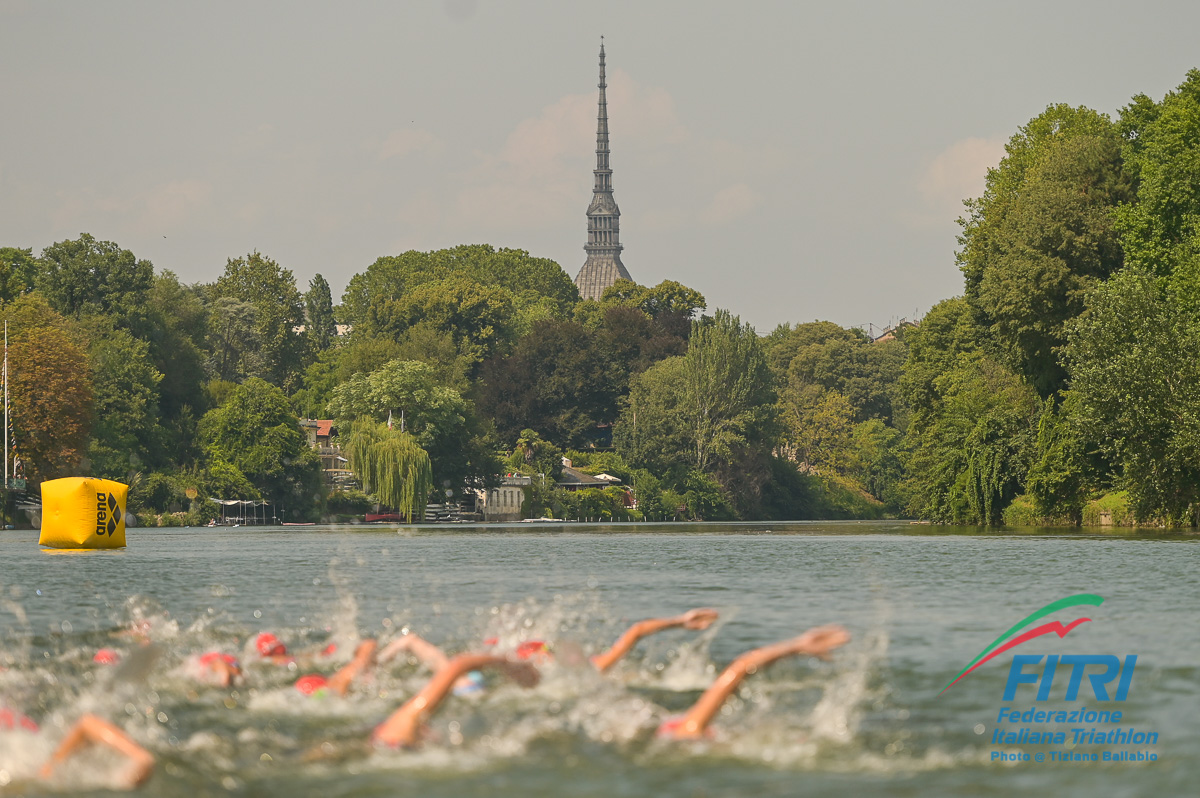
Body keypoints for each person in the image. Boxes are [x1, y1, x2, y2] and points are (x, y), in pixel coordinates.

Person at [378, 607, 719, 678]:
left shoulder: (528, 673)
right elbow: (636, 632)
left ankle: (379, 662)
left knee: (423, 650)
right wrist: (679, 621)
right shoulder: (592, 670)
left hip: (483, 670)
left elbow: (636, 631)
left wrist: (680, 621)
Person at [656, 624, 850, 739]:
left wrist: (797, 646)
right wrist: (797, 646)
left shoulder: (688, 730)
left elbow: (740, 667)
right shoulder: (689, 731)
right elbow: (741, 666)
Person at [371, 652, 540, 748]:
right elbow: (459, 664)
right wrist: (507, 662)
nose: (430, 731)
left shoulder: (391, 739)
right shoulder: (404, 725)